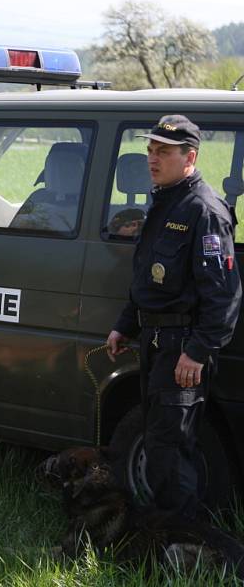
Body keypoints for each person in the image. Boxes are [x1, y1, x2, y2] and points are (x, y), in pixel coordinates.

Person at [106, 115, 241, 519]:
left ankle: (181, 551)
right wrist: (125, 325)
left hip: (182, 352)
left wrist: (197, 352)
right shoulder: (165, 201)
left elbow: (225, 296)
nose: (152, 158)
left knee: (169, 451)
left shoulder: (204, 211)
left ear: (190, 157)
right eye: (150, 149)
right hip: (155, 343)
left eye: (163, 152)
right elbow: (151, 278)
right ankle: (167, 540)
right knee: (159, 442)